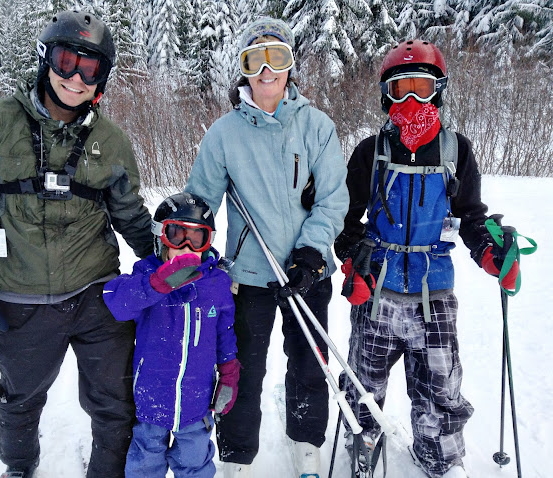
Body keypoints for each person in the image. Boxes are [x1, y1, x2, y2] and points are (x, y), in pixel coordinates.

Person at [0, 11, 153, 478]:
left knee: (116, 400)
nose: (76, 78)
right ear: (45, 59)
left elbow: (130, 214)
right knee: (20, 397)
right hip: (21, 297)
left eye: (90, 68)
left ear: (102, 78)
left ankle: (108, 471)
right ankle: (19, 465)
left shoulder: (111, 140)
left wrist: (168, 262)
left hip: (97, 293)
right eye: (66, 61)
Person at [334, 40, 520, 478]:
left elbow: (470, 216)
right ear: (387, 96)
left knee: (440, 387)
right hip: (377, 290)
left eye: (422, 88)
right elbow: (344, 219)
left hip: (433, 292)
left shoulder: (456, 151)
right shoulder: (370, 152)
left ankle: (440, 456)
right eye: (401, 90)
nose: (412, 101)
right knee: (363, 384)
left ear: (439, 90)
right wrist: (354, 259)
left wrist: (490, 250)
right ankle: (363, 442)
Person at [185, 17, 349, 478]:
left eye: (277, 57)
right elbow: (201, 201)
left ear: (290, 65)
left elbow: (334, 198)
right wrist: (188, 240)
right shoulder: (224, 133)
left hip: (307, 271)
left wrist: (311, 253)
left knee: (309, 364)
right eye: (254, 60)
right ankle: (236, 456)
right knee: (243, 369)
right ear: (244, 69)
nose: (266, 70)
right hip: (250, 276)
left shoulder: (316, 126)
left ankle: (307, 444)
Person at [103, 192, 239, 478]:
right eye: (177, 235)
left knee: (195, 462)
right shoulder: (146, 274)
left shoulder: (216, 283)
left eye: (197, 238)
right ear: (160, 237)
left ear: (208, 242)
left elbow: (224, 333)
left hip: (196, 401)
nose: (187, 247)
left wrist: (229, 373)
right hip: (152, 398)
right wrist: (157, 284)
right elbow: (117, 302)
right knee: (145, 463)